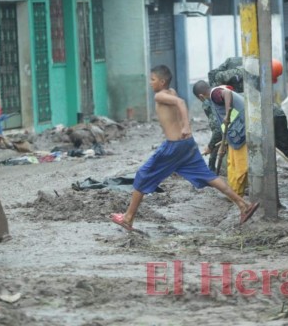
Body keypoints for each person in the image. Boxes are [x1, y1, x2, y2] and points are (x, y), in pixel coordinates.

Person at [110, 65, 259, 230]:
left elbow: (181, 103)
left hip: (173, 146)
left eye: (152, 80)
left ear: (162, 81)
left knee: (142, 175)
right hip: (187, 145)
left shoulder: (160, 96)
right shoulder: (171, 92)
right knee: (208, 176)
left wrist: (186, 126)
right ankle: (243, 204)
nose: (150, 83)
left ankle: (128, 218)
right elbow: (179, 103)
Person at [194, 66, 288, 194]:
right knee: (286, 148)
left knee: (256, 151)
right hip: (275, 113)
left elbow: (218, 131)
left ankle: (259, 189)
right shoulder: (227, 89)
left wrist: (211, 147)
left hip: (261, 119)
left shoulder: (216, 96)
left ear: (201, 96)